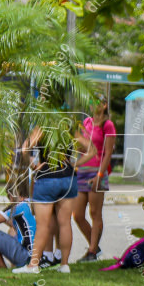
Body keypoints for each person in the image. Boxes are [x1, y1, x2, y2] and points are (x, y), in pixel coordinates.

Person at [12, 120, 95, 275]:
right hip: (68, 179)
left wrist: (33, 165)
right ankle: (64, 265)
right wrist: (74, 164)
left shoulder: (42, 125)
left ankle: (33, 265)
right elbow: (91, 150)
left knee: (43, 225)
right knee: (65, 223)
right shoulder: (68, 126)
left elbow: (24, 149)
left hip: (47, 178)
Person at [73, 95, 117, 262]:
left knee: (94, 212)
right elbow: (82, 146)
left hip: (96, 172)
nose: (92, 104)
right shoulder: (87, 122)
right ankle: (95, 247)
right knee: (77, 214)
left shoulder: (108, 125)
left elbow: (107, 153)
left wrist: (100, 175)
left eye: (96, 102)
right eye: (90, 101)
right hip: (82, 171)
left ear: (104, 105)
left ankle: (91, 252)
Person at [0, 181, 36, 269]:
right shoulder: (32, 204)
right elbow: (20, 224)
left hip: (26, 257)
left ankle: (2, 268)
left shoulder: (16, 207)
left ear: (11, 196)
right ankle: (15, 267)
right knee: (12, 230)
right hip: (38, 256)